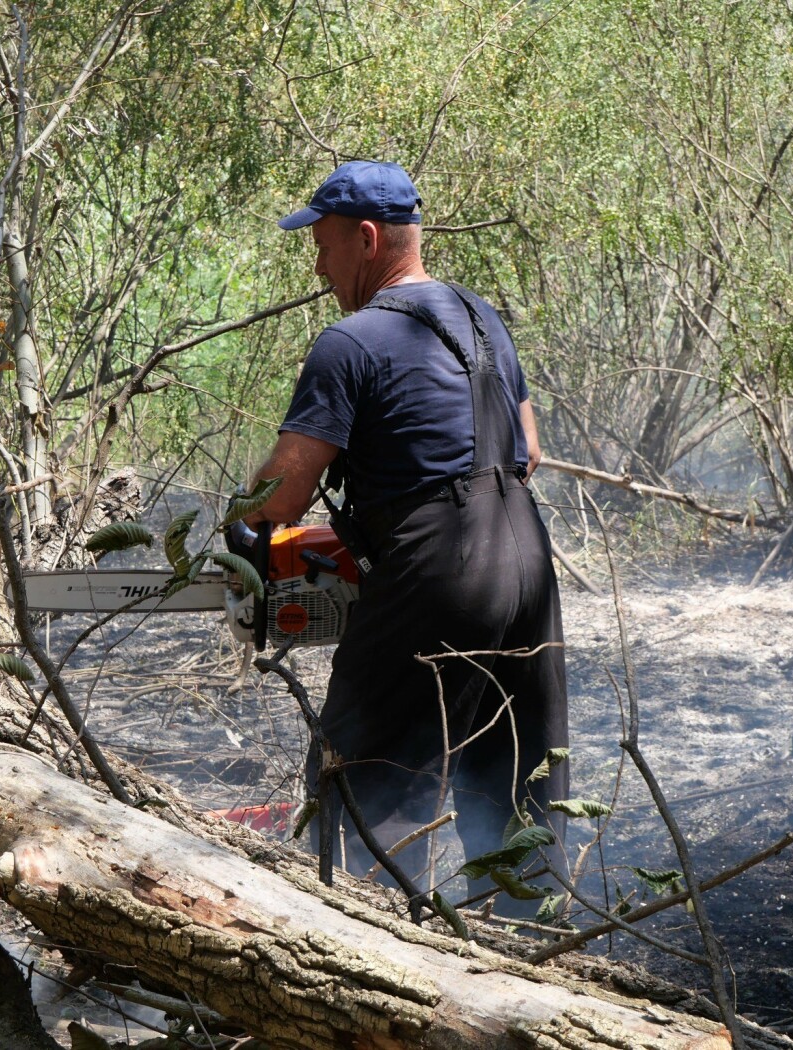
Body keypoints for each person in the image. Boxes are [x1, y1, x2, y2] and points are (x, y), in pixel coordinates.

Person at [244, 161, 569, 902]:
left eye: (323, 246)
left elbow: (285, 491)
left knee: (365, 773)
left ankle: (370, 943)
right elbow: (529, 452)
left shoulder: (350, 341)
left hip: (440, 564)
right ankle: (539, 943)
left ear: (366, 238)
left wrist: (245, 534)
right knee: (514, 777)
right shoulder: (483, 317)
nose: (320, 267)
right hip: (524, 555)